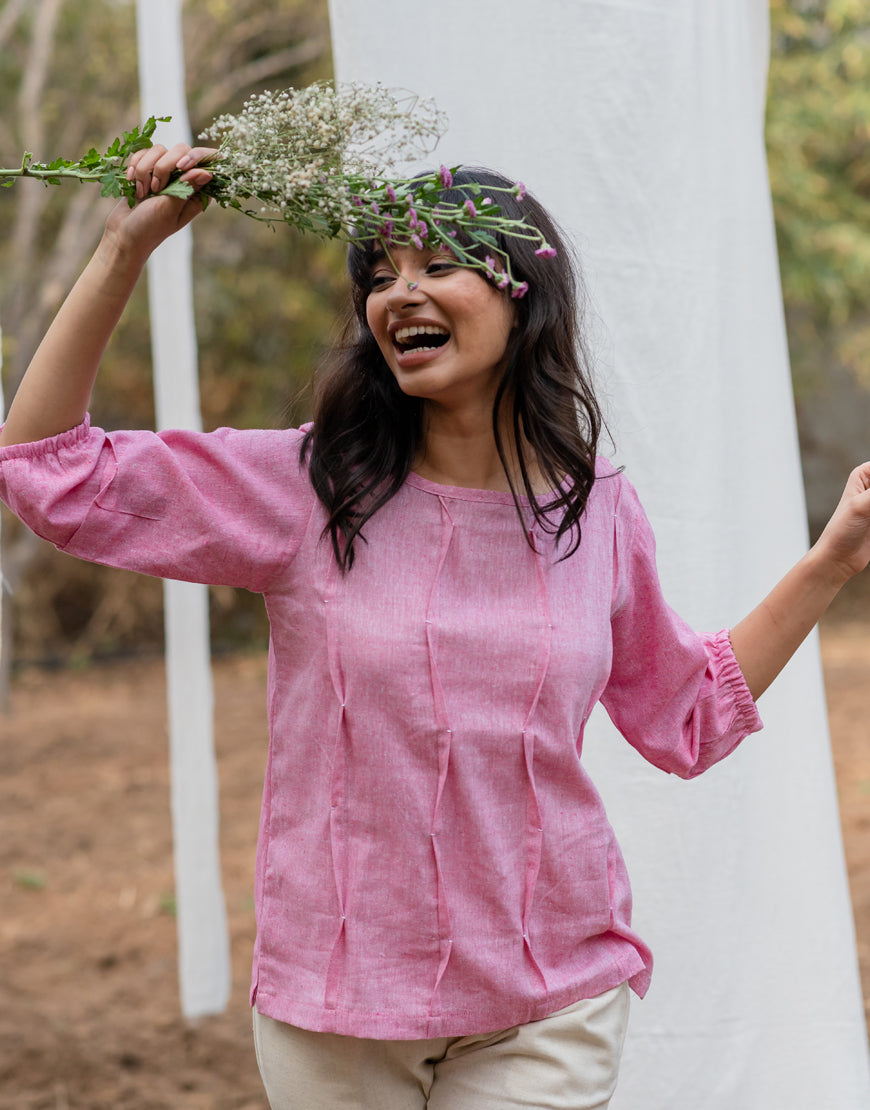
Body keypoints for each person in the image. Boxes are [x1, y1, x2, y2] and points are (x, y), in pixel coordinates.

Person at [1, 142, 869, 1110]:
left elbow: (688, 714)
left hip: (550, 998)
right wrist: (122, 248)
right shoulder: (309, 488)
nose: (397, 293)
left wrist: (831, 557)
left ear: (522, 292)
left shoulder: (597, 513)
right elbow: (50, 470)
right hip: (339, 1008)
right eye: (379, 276)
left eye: (435, 264)